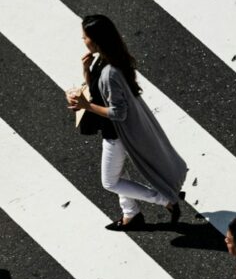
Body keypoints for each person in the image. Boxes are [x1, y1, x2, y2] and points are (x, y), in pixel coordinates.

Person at [67, 15, 188, 231]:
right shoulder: (106, 59)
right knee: (118, 173)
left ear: (96, 40)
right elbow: (97, 90)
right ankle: (131, 214)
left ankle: (165, 200)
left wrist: (86, 106)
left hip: (117, 135)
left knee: (110, 182)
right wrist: (86, 71)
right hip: (115, 132)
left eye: (85, 37)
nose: (82, 40)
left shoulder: (109, 72)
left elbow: (117, 112)